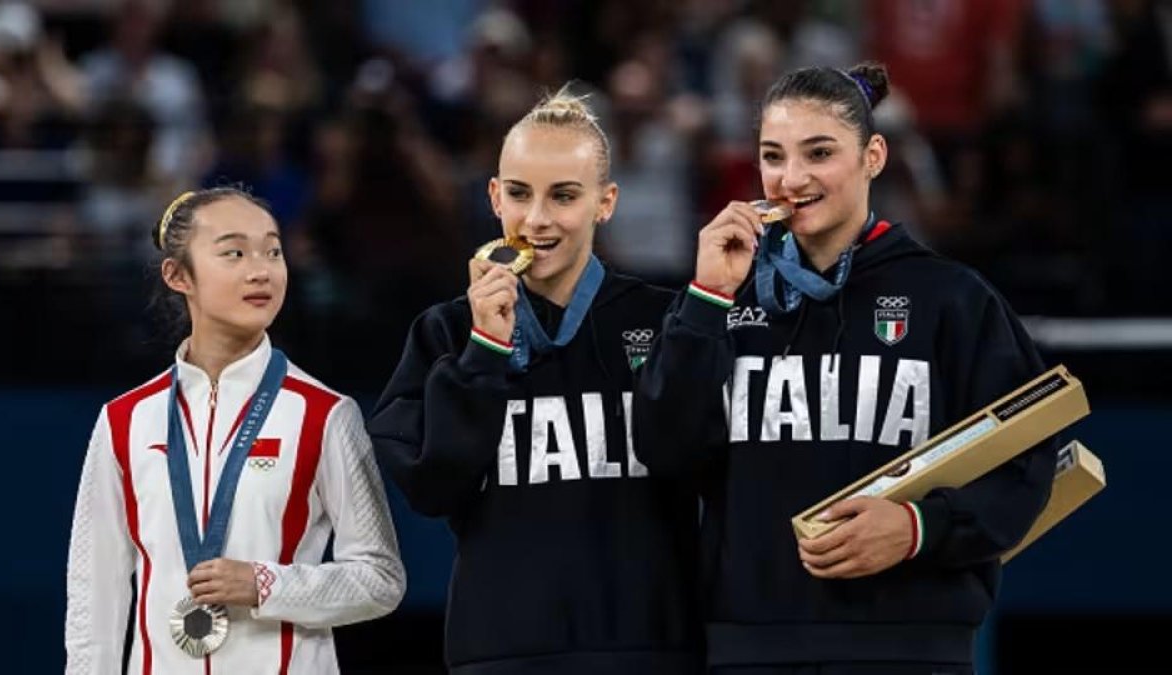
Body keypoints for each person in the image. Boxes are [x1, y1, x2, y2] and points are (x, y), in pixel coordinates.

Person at [633, 63, 1057, 674]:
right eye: (772, 156)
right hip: (752, 649)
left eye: (820, 152)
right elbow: (665, 449)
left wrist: (920, 526)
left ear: (874, 155)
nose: (792, 178)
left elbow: (1026, 460)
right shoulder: (721, 299)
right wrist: (704, 301)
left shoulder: (951, 299)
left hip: (911, 649)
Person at [369, 87, 703, 675]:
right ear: (495, 196)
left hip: (649, 648)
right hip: (500, 649)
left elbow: (705, 462)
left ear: (606, 202)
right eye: (519, 194)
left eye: (564, 196)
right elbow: (431, 487)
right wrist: (484, 350)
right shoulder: (446, 332)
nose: (537, 219)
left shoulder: (667, 320)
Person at [65, 187, 405, 674]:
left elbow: (380, 578)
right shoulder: (125, 420)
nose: (261, 270)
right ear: (178, 275)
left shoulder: (325, 414)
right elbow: (93, 594)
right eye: (234, 253)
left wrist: (266, 585)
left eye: (273, 250)